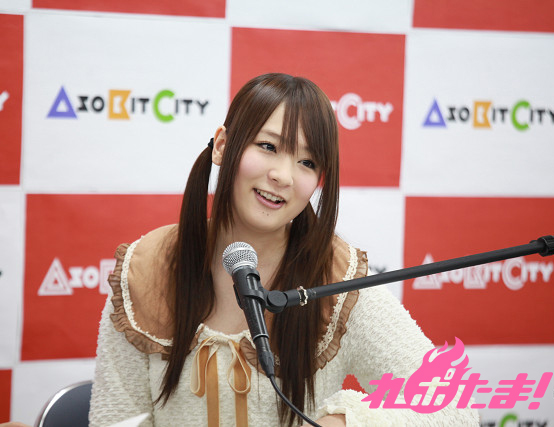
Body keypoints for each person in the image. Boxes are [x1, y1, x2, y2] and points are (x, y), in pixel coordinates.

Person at [89, 73, 479, 427]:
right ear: (222, 146)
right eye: (268, 146)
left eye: (307, 162)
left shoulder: (335, 279)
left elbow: (453, 408)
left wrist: (345, 422)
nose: (283, 176)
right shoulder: (149, 266)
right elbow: (116, 420)